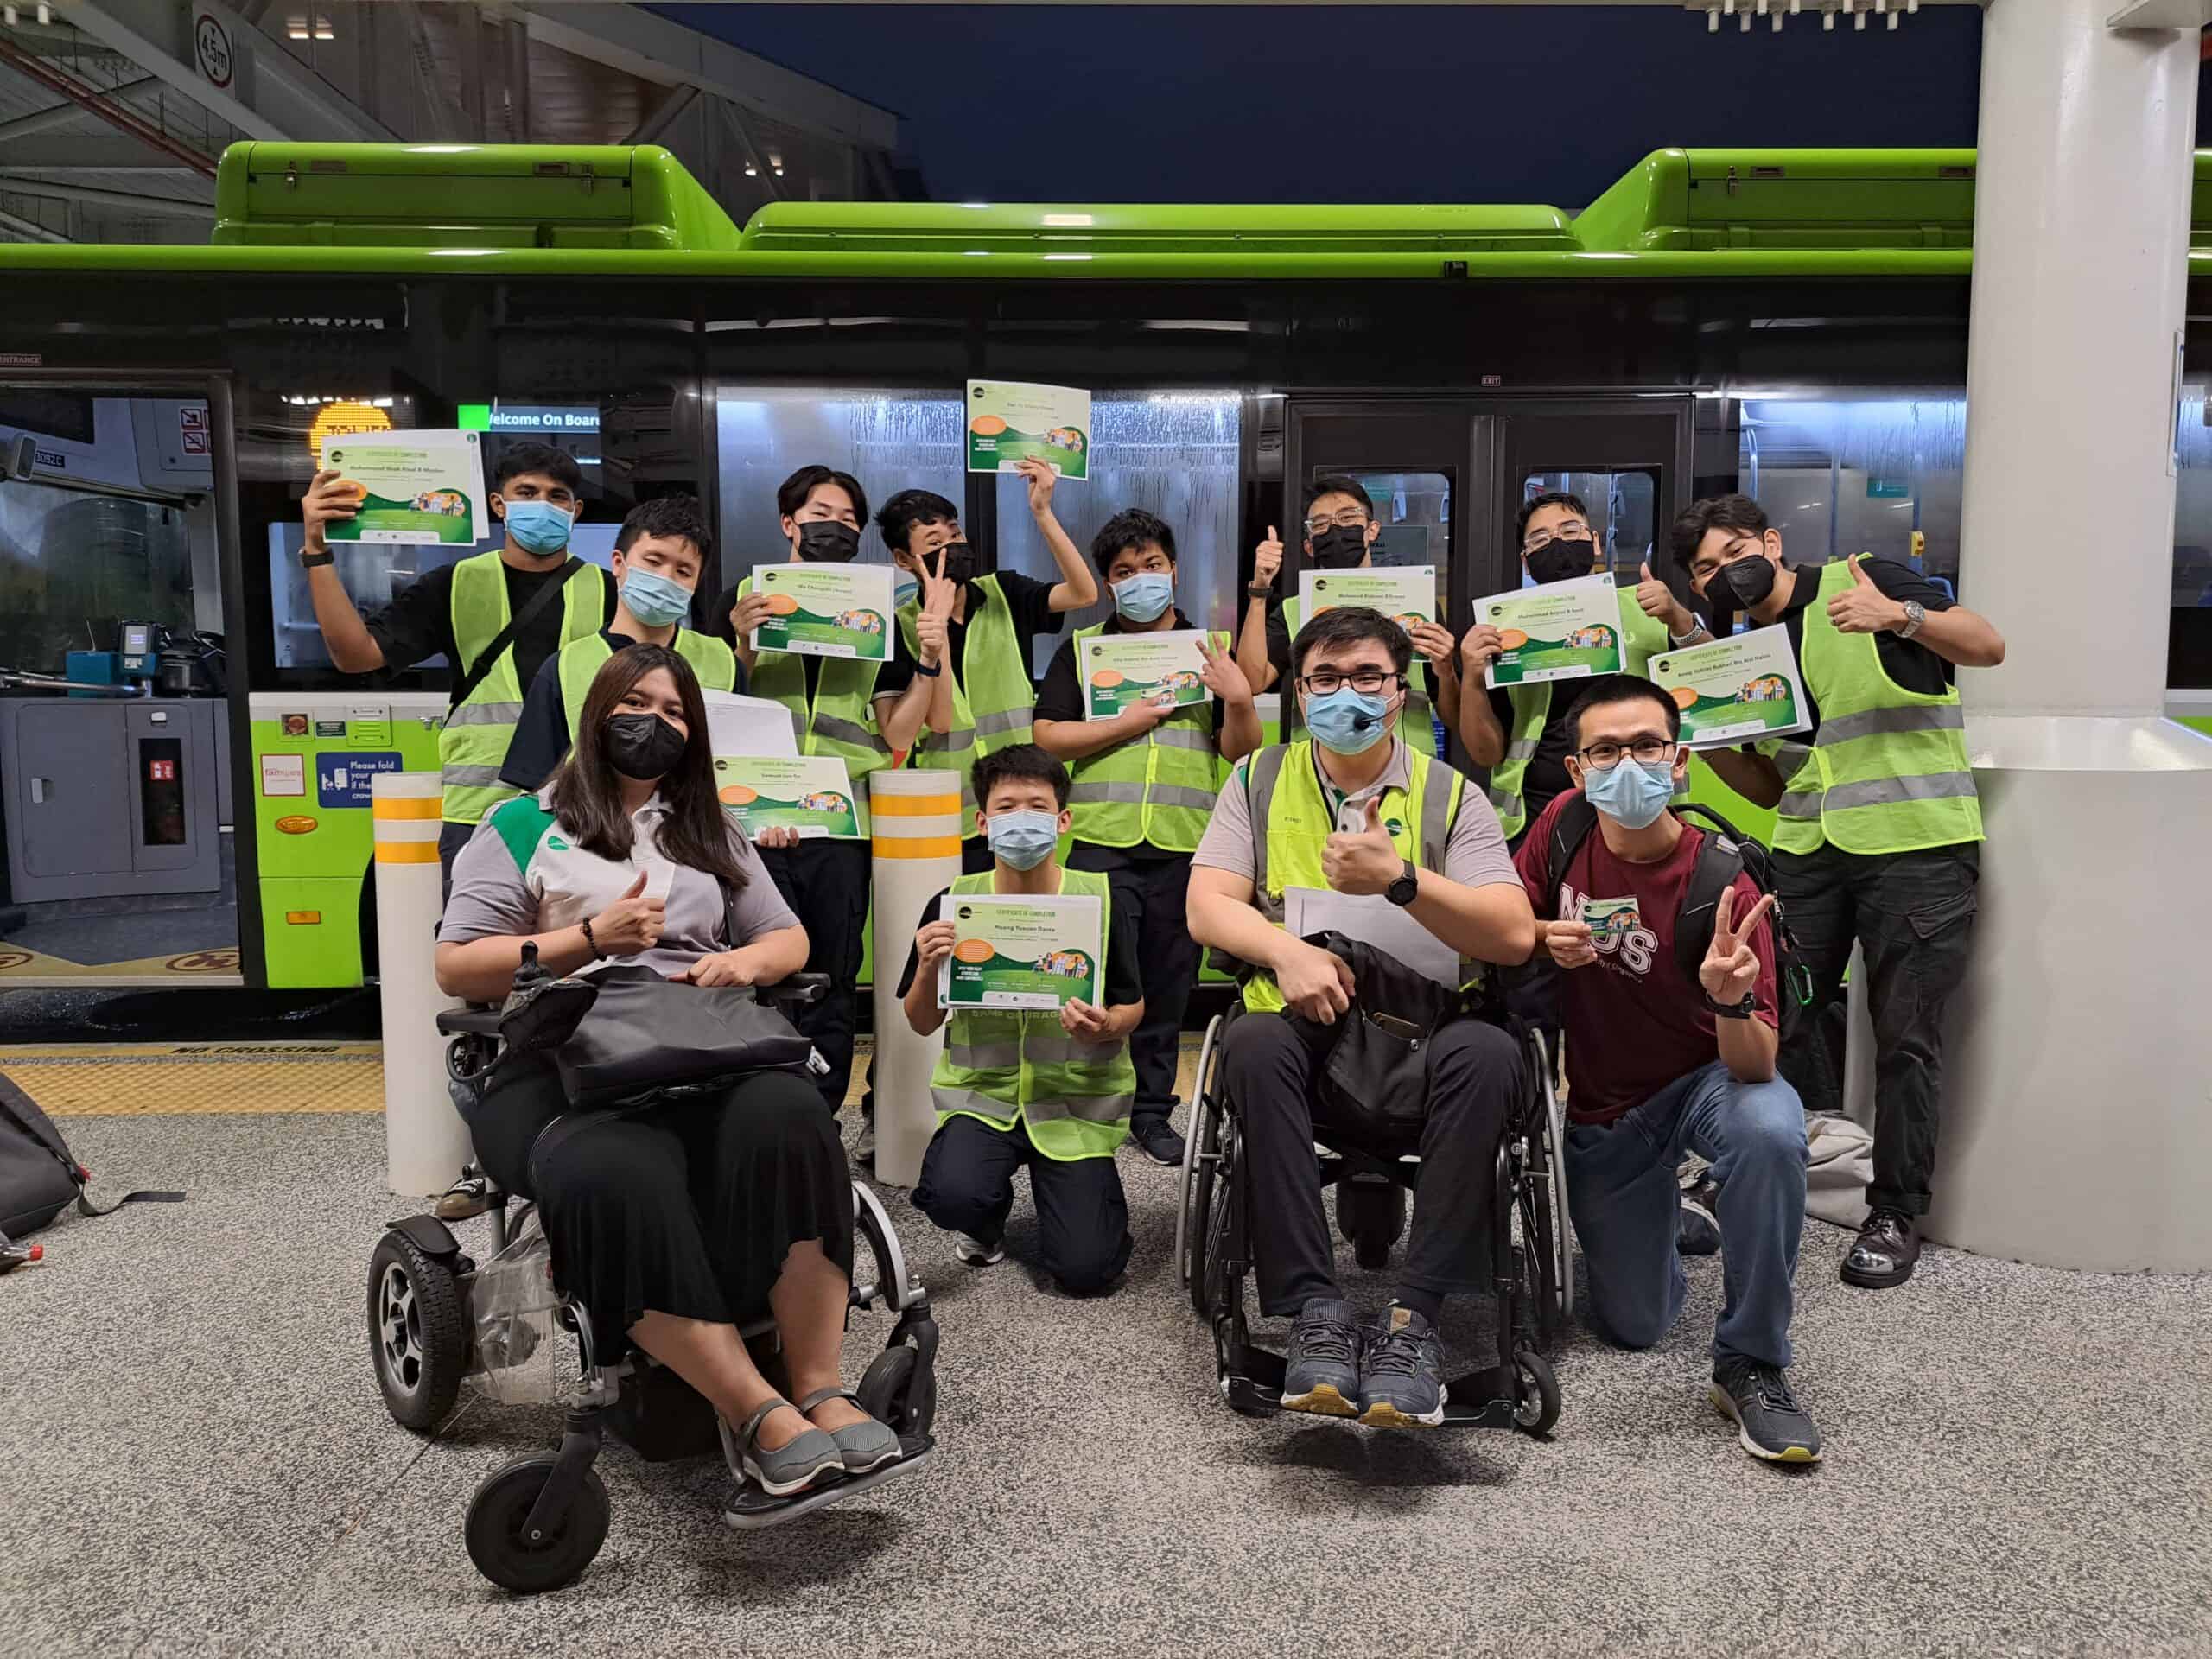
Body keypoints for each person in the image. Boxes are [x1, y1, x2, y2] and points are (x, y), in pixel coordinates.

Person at [435, 644, 901, 1499]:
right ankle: (753, 1409)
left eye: (677, 711)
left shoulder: (706, 830)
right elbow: (459, 967)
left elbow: (786, 936)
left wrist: (747, 965)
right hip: (564, 1055)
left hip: (702, 1039)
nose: (656, 722)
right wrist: (586, 940)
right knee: (617, 1168)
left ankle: (819, 1388)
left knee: (791, 1118)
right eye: (637, 702)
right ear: (599, 711)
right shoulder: (519, 827)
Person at [1185, 606, 1535, 1428]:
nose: (1348, 693)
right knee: (1253, 1040)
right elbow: (1208, 905)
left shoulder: (1454, 795)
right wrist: (1286, 953)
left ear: (1401, 692)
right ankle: (1315, 1312)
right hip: (1308, 1016)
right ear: (1300, 695)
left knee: (1490, 1056)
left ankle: (1414, 1321)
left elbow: (1514, 934)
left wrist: (1402, 877)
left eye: (1368, 677)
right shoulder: (1257, 779)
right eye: (1326, 679)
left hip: (1433, 1023)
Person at [1678, 494, 2005, 1291]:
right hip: (1807, 854)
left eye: (1734, 553)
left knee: (1906, 1039)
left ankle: (1894, 1211)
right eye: (1706, 570)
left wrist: (1902, 616)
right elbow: (1765, 780)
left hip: (1916, 849)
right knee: (1777, 1017)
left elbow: (1988, 645)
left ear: (1772, 543)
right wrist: (1707, 735)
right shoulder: (1746, 650)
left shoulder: (1863, 581)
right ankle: (1745, 1169)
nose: (1726, 573)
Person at [1515, 677, 1820, 1464]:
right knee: (1634, 1327)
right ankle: (1672, 1214)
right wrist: (1542, 934)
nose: (1627, 766)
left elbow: (1756, 1068)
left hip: (1708, 1083)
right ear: (1577, 771)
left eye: (1647, 747)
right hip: (1608, 1107)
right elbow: (1506, 922)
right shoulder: (1562, 826)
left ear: (1678, 761)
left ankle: (1751, 1363)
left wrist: (1730, 998)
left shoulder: (1727, 879)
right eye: (1605, 751)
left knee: (1770, 1128)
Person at [707, 464, 951, 1120]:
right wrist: (740, 638)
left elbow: (898, 728)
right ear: (789, 523)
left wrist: (928, 660)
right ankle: (756, 1112)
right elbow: (714, 704)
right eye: (821, 514)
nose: (834, 527)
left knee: (832, 979)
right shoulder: (741, 601)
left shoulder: (874, 614)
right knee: (755, 971)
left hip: (840, 825)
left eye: (848, 520)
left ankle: (817, 1119)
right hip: (750, 821)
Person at [1032, 509, 1262, 1168]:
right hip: (1102, 843)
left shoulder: (1208, 650)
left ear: (1174, 570)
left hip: (1185, 846)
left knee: (1168, 983)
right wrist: (1124, 722)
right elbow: (1048, 735)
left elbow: (1237, 751)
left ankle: (1153, 1112)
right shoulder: (1083, 652)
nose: (1140, 580)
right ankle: (1087, 1101)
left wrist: (1240, 700)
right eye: (1124, 572)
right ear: (1108, 584)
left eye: (1152, 567)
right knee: (1098, 978)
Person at [298, 441, 614, 880]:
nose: (542, 504)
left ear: (575, 510)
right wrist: (317, 551)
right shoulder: (454, 584)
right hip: (478, 814)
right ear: (498, 505)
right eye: (527, 492)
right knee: (475, 947)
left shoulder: (609, 591)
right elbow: (356, 657)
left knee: (586, 944)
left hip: (588, 808)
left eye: (556, 496)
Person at [900, 744, 1143, 1293]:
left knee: (1087, 1272)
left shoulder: (1100, 901)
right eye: (1006, 808)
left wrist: (1107, 1025)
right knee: (953, 1194)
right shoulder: (953, 904)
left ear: (1062, 821)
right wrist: (927, 967)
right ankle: (984, 1220)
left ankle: (1078, 1208)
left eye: (1037, 807)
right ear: (983, 822)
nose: (1022, 820)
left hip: (1073, 1106)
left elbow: (1135, 1005)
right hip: (985, 1099)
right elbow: (919, 1022)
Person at [879, 457, 1100, 870]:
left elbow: (1084, 594)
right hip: (942, 812)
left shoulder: (1003, 592)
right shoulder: (899, 626)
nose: (952, 548)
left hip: (1017, 808)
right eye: (934, 542)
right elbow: (938, 721)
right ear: (904, 559)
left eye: (956, 533)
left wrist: (1042, 512)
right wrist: (936, 623)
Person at [1458, 490, 1695, 847]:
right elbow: (1485, 754)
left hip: (1645, 806)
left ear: (1595, 542)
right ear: (1526, 561)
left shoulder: (1647, 607)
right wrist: (1472, 678)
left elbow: (1712, 684)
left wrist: (1680, 620)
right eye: (1540, 539)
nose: (1557, 543)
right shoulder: (1506, 630)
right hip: (1537, 818)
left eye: (1570, 532)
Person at [498, 494, 737, 792]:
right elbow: (535, 782)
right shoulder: (566, 665)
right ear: (618, 563)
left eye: (683, 571)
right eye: (653, 561)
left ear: (697, 582)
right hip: (589, 833)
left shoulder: (724, 663)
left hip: (690, 833)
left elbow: (747, 768)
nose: (666, 578)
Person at [1235, 474, 1460, 753]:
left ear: (1372, 530)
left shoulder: (1417, 605)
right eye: (1321, 524)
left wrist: (1447, 670)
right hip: (1315, 771)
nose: (1334, 529)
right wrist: (1259, 591)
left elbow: (1453, 717)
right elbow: (1252, 681)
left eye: (1347, 518)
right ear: (1309, 545)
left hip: (1407, 770)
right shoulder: (1294, 610)